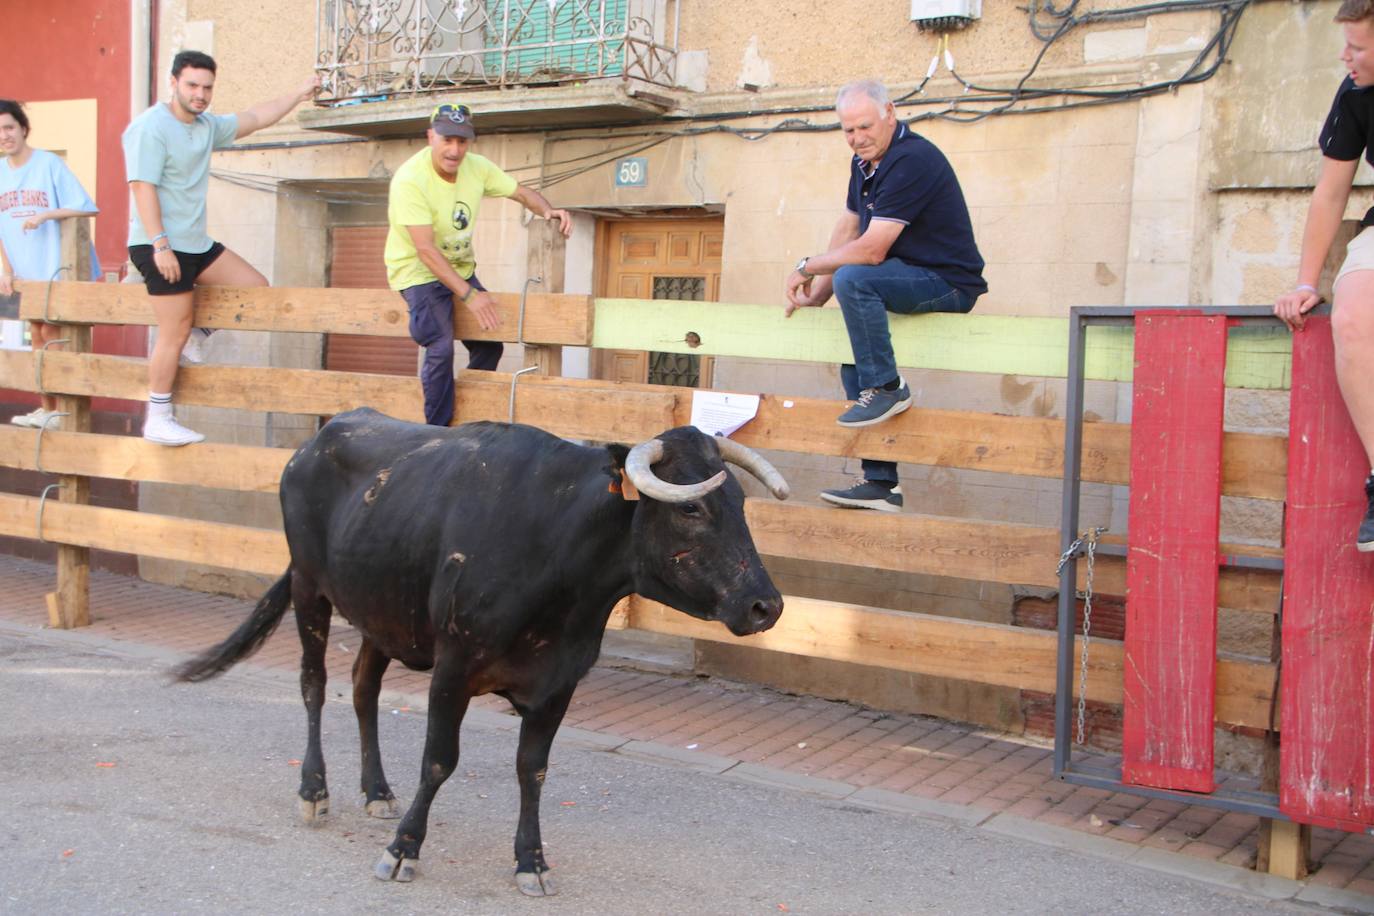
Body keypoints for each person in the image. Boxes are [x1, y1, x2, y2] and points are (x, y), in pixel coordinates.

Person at [783, 79, 986, 512]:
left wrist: (807, 266)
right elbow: (849, 227)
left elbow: (871, 250)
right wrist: (817, 294)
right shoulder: (864, 164)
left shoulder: (912, 160)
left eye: (864, 127)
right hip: (906, 274)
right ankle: (881, 484)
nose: (857, 138)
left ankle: (889, 387)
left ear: (890, 113)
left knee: (855, 279)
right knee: (854, 361)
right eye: (848, 131)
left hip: (947, 279)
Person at [123, 50, 319, 446]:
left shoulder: (206, 126)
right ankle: (157, 416)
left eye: (207, 87)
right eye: (192, 85)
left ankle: (198, 330)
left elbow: (255, 116)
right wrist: (161, 244)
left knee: (255, 286)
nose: (200, 94)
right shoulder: (150, 127)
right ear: (173, 82)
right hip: (157, 243)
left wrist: (299, 94)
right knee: (172, 332)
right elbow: (142, 187)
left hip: (195, 243)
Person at [385, 103, 572, 427]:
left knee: (489, 345)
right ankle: (438, 431)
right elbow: (425, 251)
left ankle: (466, 410)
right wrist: (471, 296)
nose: (454, 149)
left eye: (462, 141)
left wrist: (548, 211)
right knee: (440, 347)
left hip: (459, 268)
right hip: (417, 271)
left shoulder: (477, 167)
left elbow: (521, 193)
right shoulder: (410, 180)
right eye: (447, 139)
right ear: (431, 136)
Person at [1275, 0, 1374, 553]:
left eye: (1356, 47)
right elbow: (1331, 191)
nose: (1346, 57)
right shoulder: (1356, 90)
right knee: (1354, 316)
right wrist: (1306, 282)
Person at [0, 99, 100, 429]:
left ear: (23, 129)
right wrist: (6, 269)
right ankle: (47, 409)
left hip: (58, 267)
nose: (4, 135)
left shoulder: (48, 165)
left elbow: (85, 207)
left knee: (52, 333)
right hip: (26, 271)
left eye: (9, 127)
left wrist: (46, 214)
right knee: (37, 336)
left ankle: (61, 411)